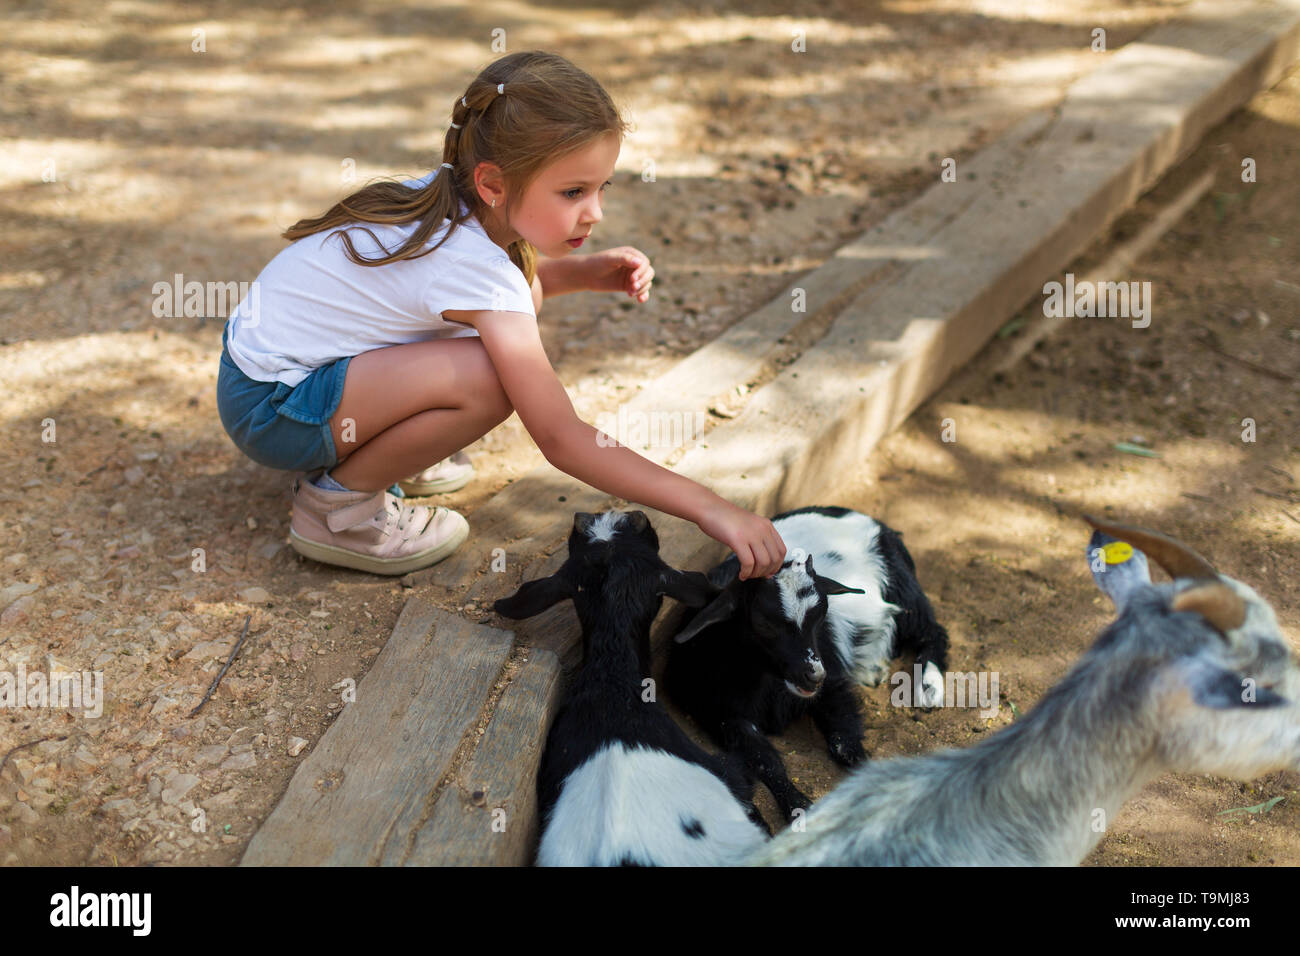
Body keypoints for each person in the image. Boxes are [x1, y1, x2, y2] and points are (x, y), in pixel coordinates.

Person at [216, 50, 785, 580]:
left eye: (600, 187)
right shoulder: (478, 268)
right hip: (274, 410)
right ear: (492, 182)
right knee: (492, 378)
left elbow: (457, 291)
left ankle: (381, 451)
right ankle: (337, 509)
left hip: (263, 379)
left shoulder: (449, 193)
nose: (596, 211)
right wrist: (710, 508)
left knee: (520, 305)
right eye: (573, 192)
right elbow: (561, 438)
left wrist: (581, 274)